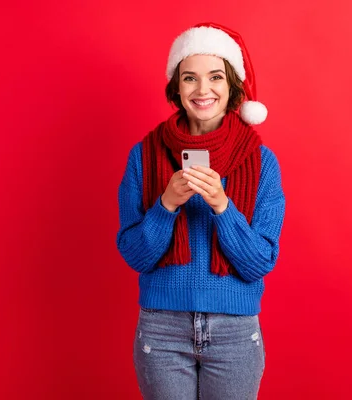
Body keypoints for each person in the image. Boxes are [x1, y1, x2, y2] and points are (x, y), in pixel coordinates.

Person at [116, 22, 285, 400]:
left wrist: (224, 209)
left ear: (232, 87)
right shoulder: (144, 156)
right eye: (190, 78)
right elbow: (134, 255)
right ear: (177, 87)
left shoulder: (261, 162)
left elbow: (260, 262)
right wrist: (166, 205)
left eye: (215, 77)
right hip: (161, 330)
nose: (203, 89)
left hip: (235, 332)